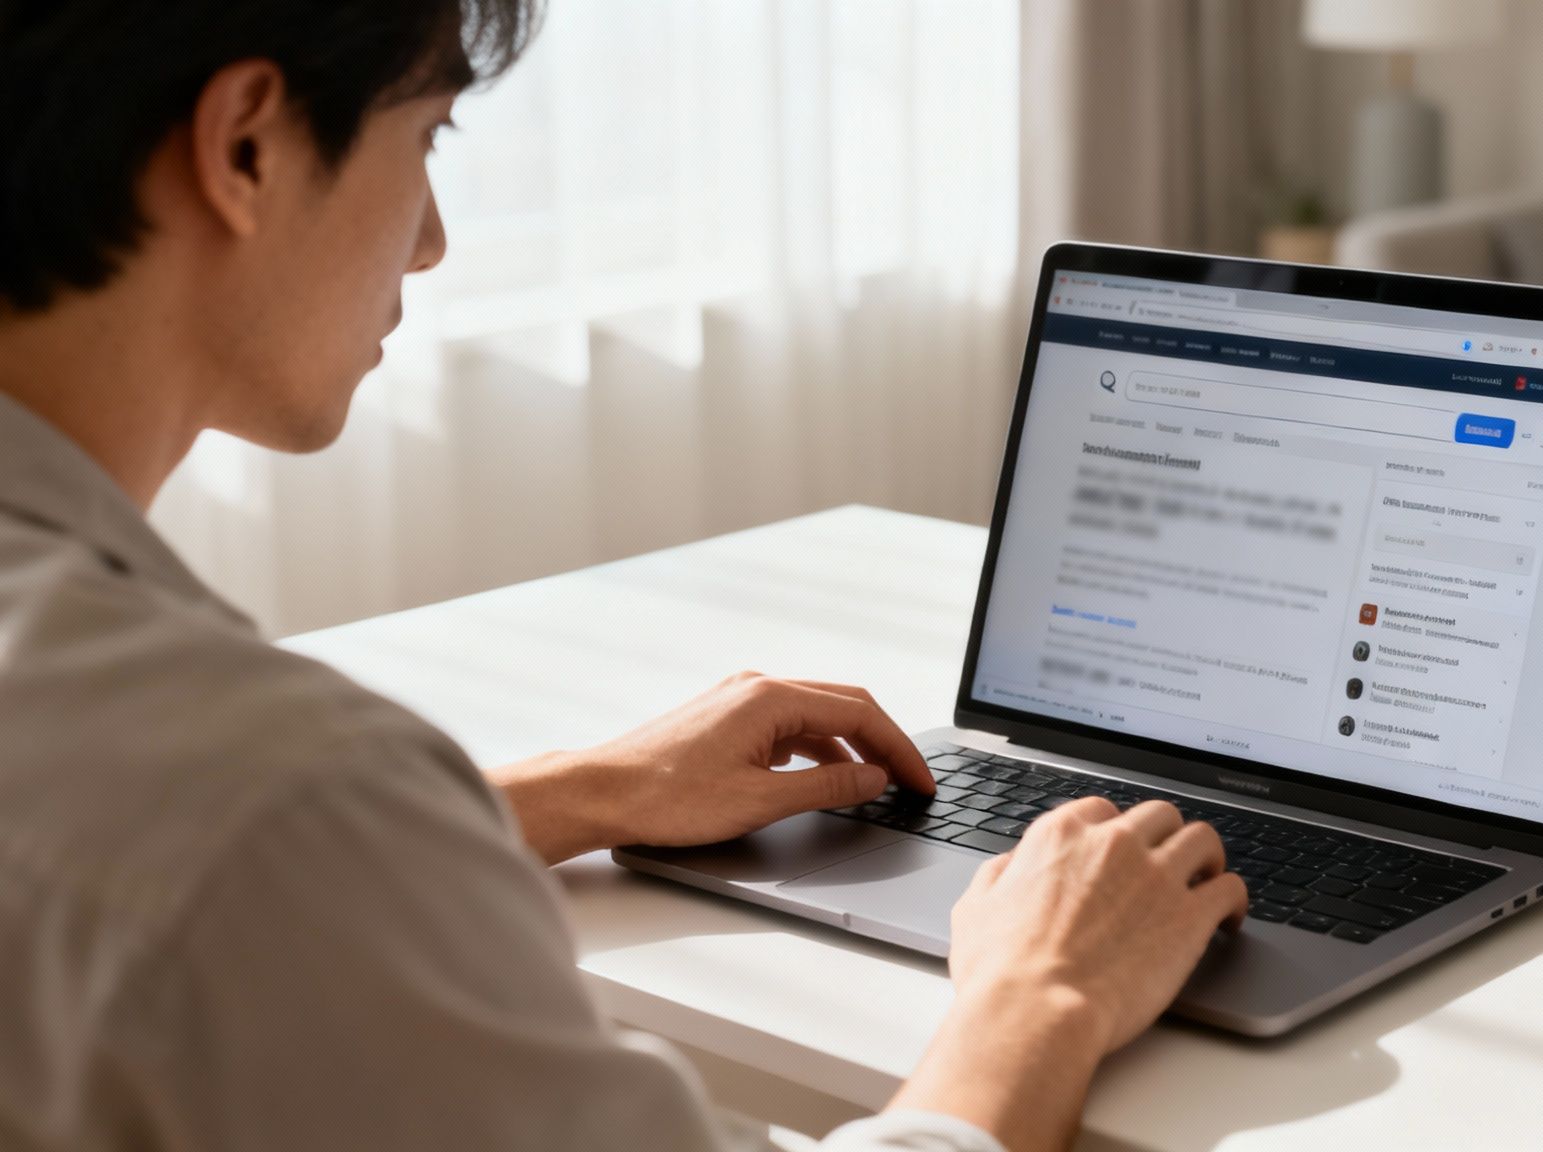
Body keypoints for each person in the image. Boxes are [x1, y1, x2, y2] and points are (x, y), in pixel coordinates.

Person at [0, 3, 1248, 1150]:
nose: (430, 243)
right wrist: (1045, 995)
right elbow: (261, 849)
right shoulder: (274, 799)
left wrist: (588, 790)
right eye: (428, 136)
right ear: (247, 149)